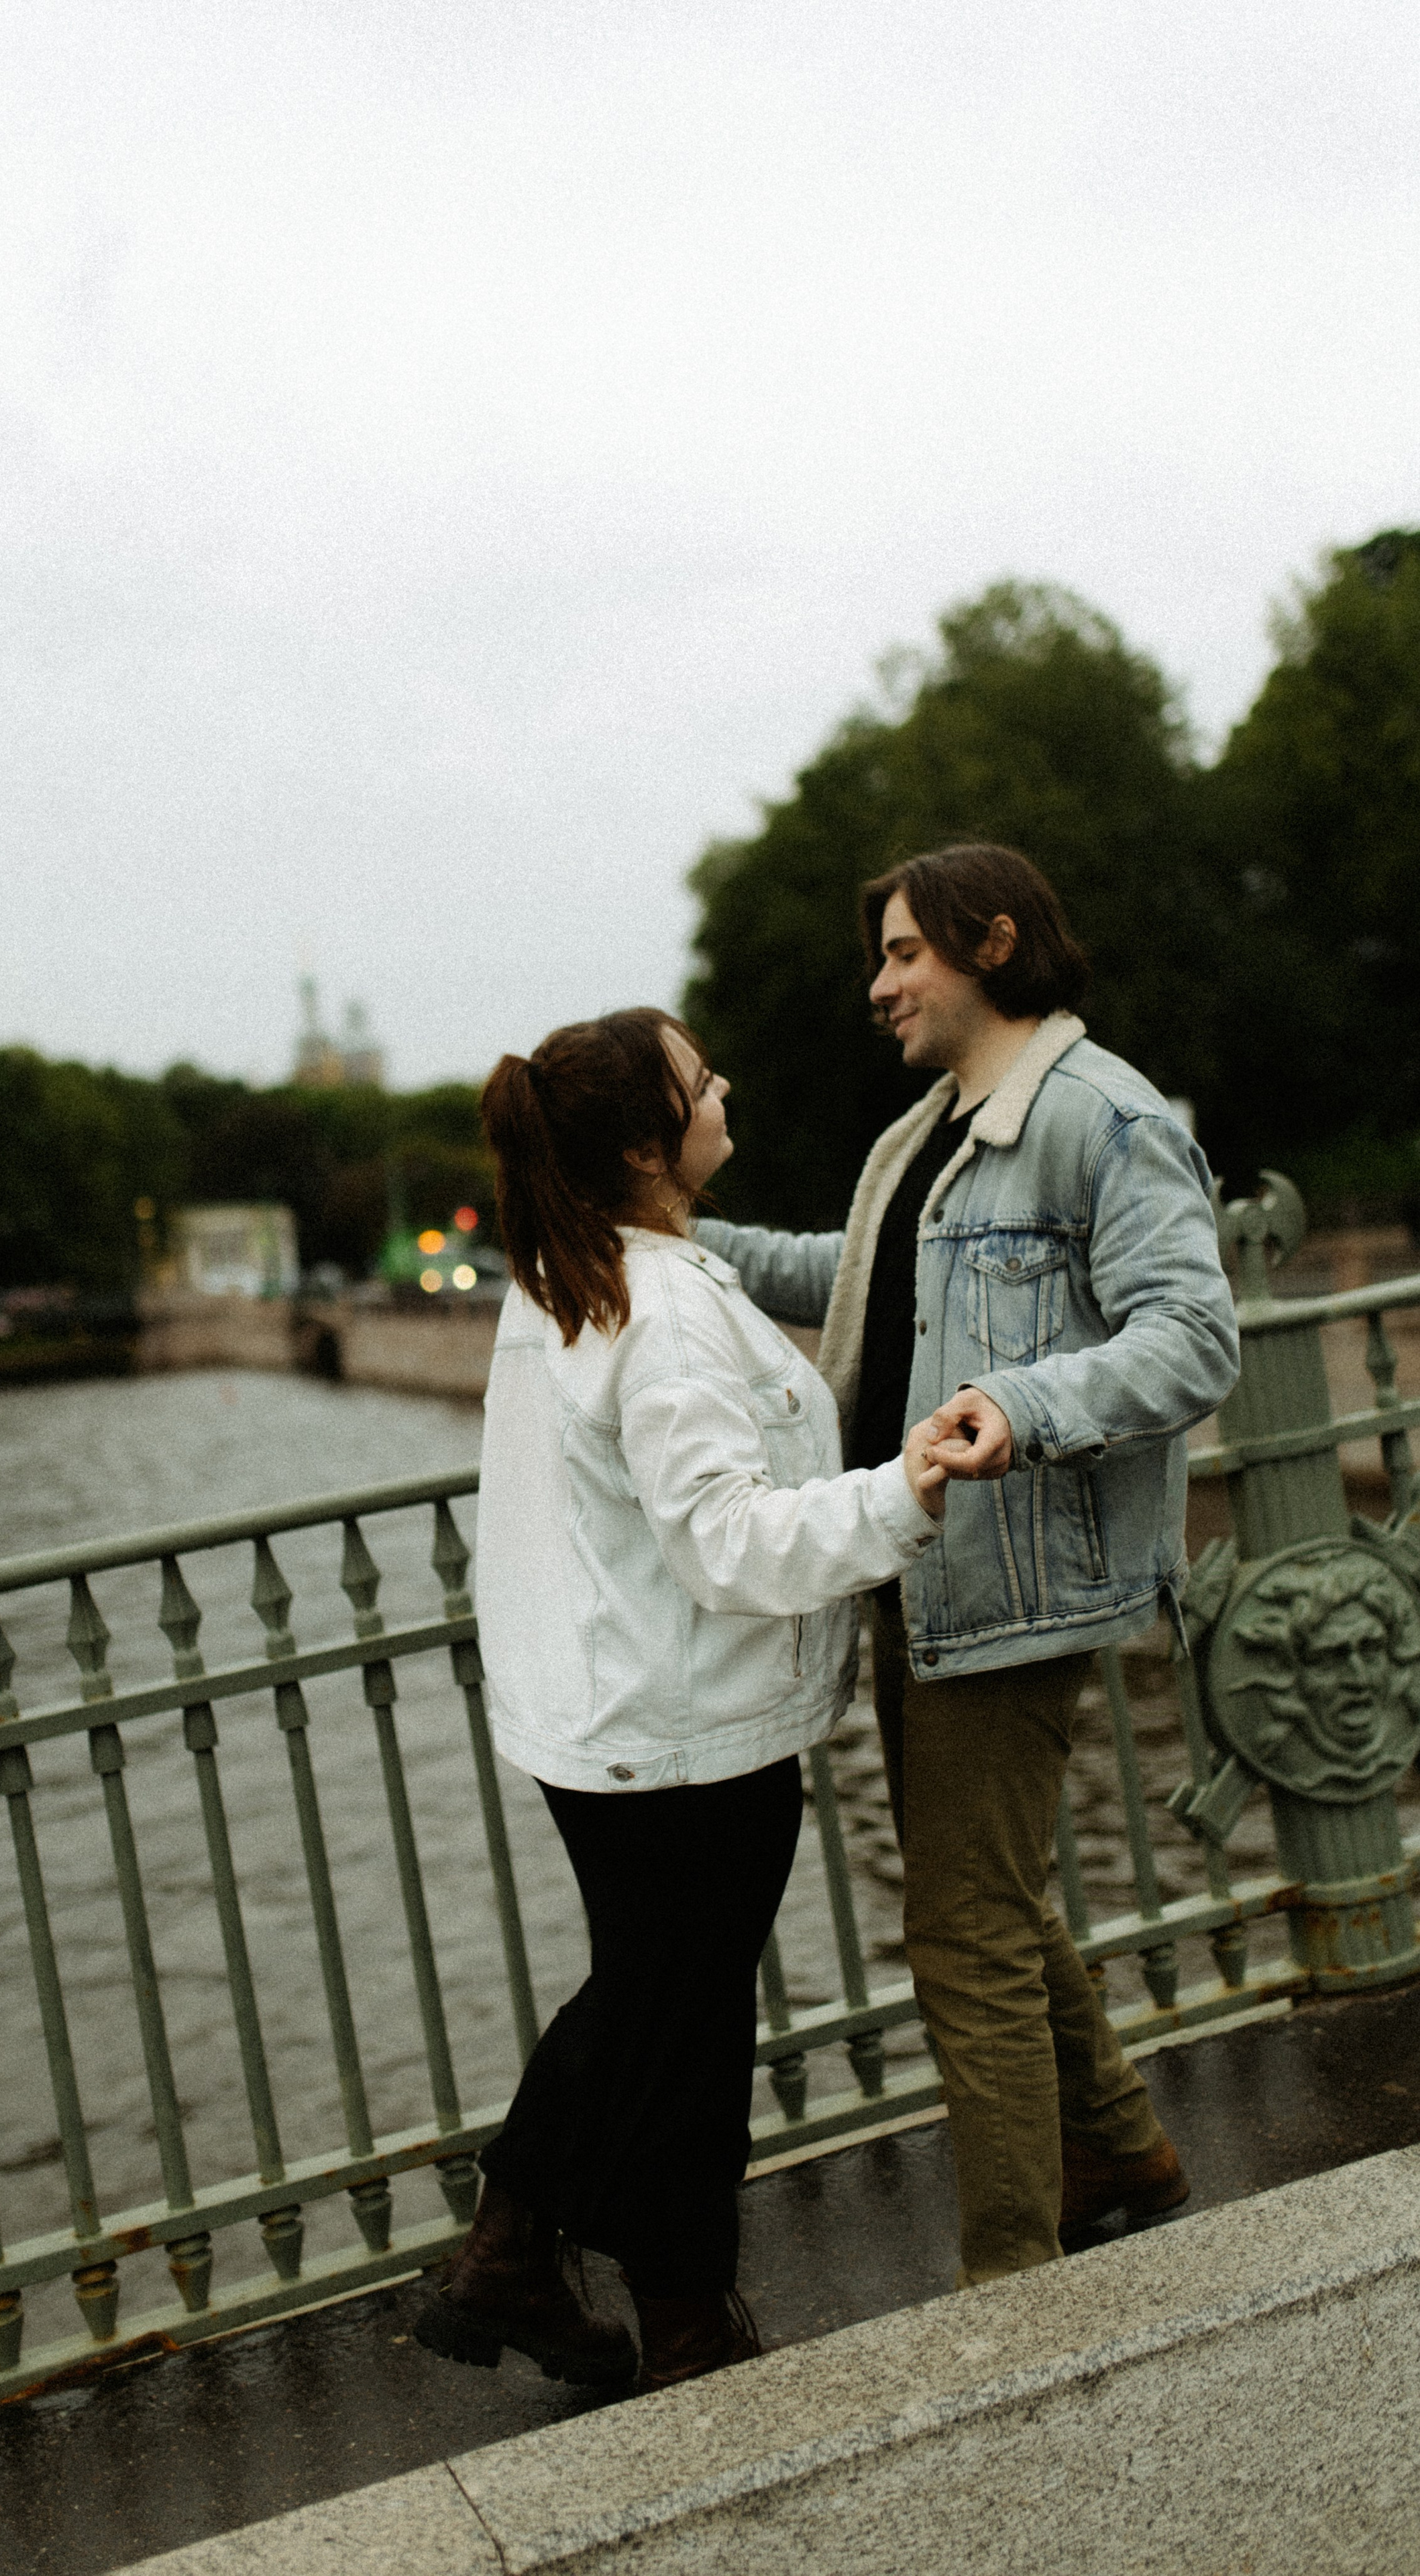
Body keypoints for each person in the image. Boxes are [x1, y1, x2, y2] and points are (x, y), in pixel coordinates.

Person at [698, 843, 1240, 2284]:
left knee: (958, 1935)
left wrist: (1025, 1406)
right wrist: (676, 1245)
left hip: (1012, 1589)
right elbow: (858, 1283)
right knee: (984, 1903)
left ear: (989, 944)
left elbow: (1191, 1337)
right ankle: (1119, 2146)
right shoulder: (931, 1128)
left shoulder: (1098, 1116)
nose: (876, 986)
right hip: (920, 1569)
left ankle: (1011, 2278)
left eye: (899, 954)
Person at [415, 1006, 948, 2394]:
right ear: (653, 1146)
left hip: (610, 1709)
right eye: (703, 1080)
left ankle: (643, 2302)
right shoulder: (653, 1314)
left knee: (665, 2018)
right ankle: (539, 2259)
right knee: (673, 2022)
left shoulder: (570, 1275)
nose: (726, 1087)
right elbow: (723, 1541)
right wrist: (904, 1494)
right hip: (677, 1725)